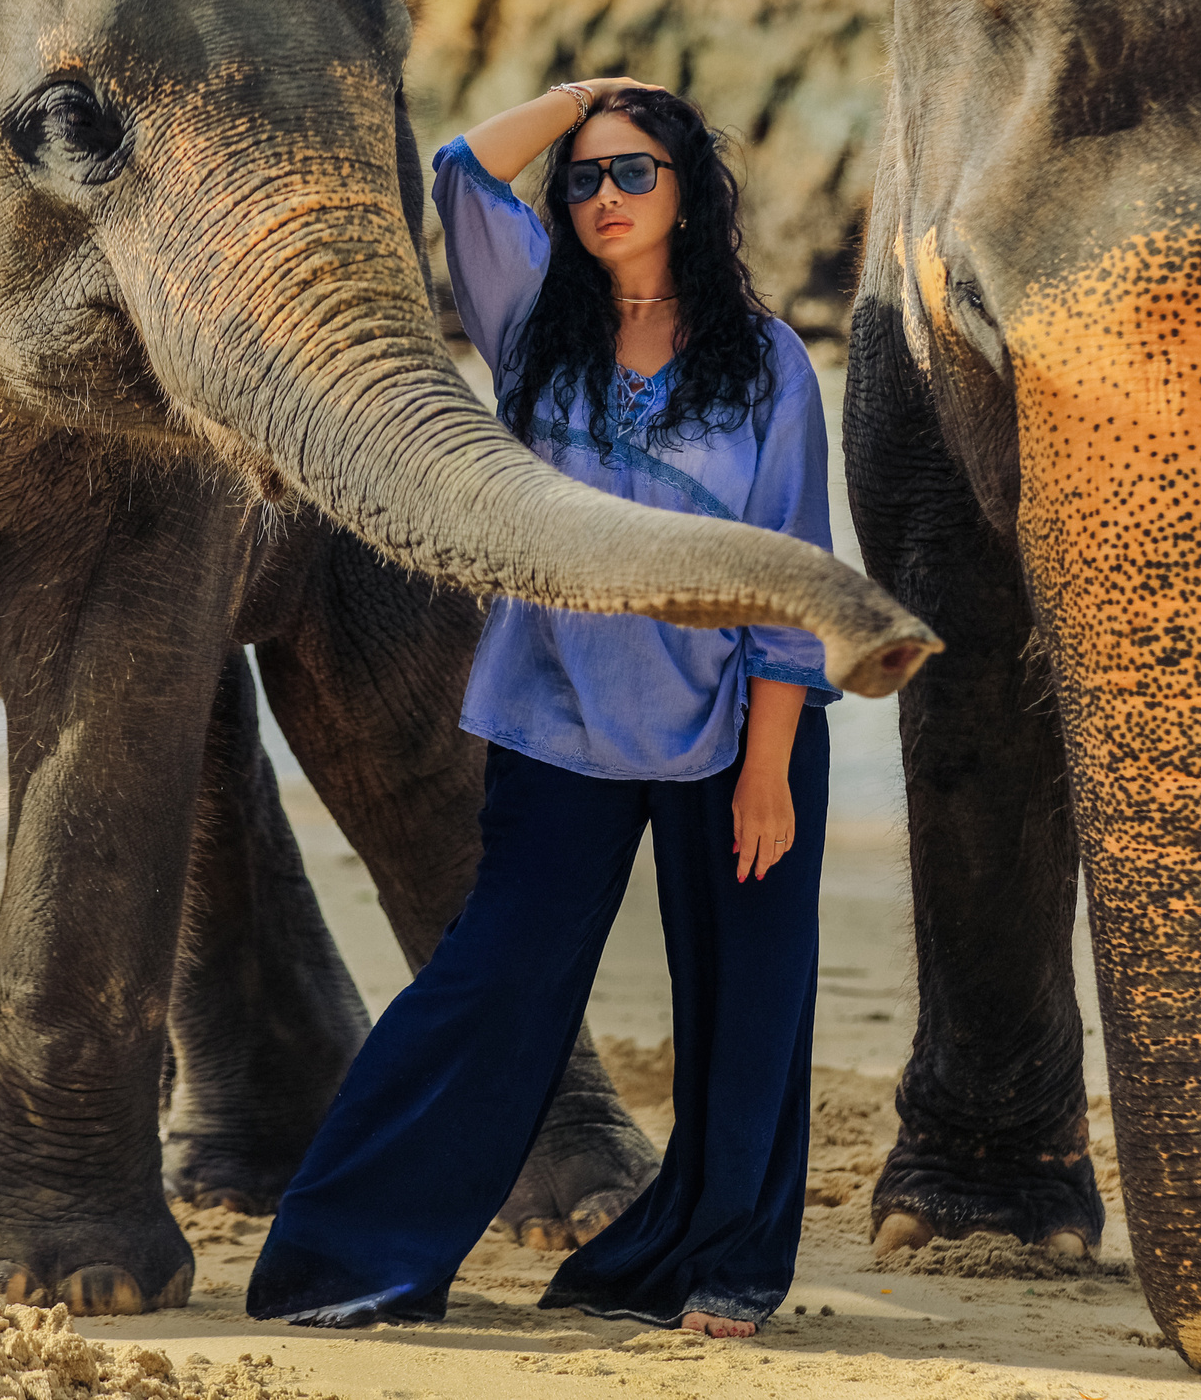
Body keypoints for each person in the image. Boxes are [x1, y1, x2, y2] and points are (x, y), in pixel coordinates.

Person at [243, 78, 839, 1338]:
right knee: (491, 985)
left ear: (688, 192)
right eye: (583, 178)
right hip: (557, 722)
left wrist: (770, 763)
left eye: (633, 171)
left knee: (747, 1002)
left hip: (737, 727)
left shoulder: (765, 362)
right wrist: (584, 100)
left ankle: (719, 1265)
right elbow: (460, 166)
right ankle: (349, 1258)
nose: (604, 196)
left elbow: (792, 567)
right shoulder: (533, 328)